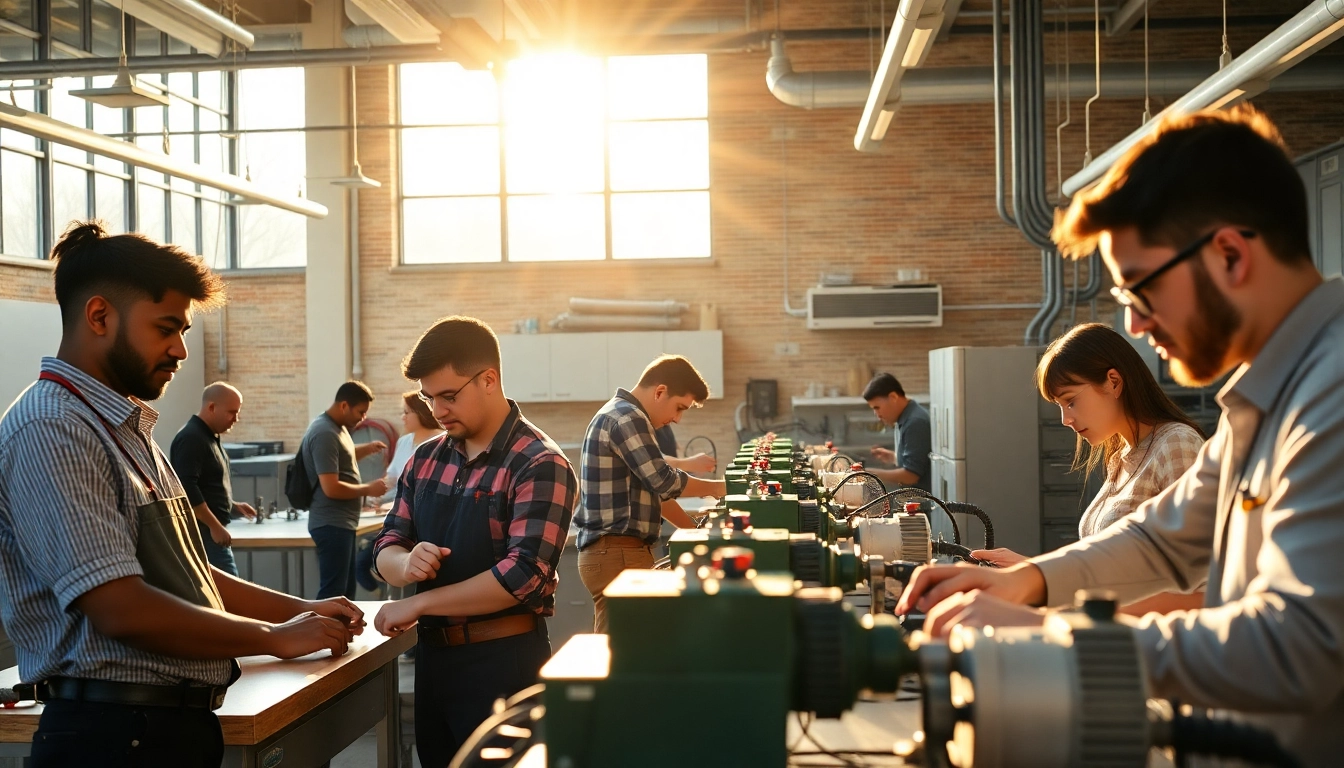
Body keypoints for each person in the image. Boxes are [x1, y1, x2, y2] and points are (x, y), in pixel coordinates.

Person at [895, 105, 1344, 764]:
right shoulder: (1268, 397)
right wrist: (1029, 584)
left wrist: (1053, 639)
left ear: (1228, 253)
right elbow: (1164, 538)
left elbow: (1300, 647)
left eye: (1140, 291)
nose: (1135, 326)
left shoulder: (1330, 392)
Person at [0, 222, 363, 768]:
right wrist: (273, 637)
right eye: (166, 328)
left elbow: (190, 572)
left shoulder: (125, 429)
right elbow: (120, 607)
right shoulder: (53, 427)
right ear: (99, 316)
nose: (180, 350)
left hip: (161, 729)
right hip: (112, 738)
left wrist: (302, 612)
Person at [370, 316, 577, 768]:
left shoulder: (540, 464)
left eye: (449, 396)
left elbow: (522, 575)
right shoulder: (425, 460)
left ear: (489, 379)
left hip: (503, 667)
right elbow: (387, 541)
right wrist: (404, 565)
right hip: (434, 664)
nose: (437, 411)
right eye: (429, 398)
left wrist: (420, 603)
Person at [971, 323, 1206, 615]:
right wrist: (1032, 572)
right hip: (1112, 644)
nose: (1064, 419)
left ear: (1114, 382)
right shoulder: (1121, 456)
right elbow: (1118, 577)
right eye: (1059, 405)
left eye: (1070, 401)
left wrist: (1063, 610)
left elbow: (1202, 595)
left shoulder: (1177, 445)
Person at [573, 355, 727, 633]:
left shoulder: (621, 414)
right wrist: (718, 488)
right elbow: (664, 481)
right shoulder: (628, 417)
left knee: (628, 643)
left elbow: (656, 495)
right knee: (625, 649)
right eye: (679, 408)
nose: (677, 419)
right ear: (660, 391)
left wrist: (693, 531)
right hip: (617, 552)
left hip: (616, 552)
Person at [300, 381, 388, 600]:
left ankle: (341, 633)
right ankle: (323, 633)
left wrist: (367, 449)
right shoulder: (325, 433)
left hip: (341, 524)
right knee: (334, 593)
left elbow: (340, 458)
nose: (363, 418)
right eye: (361, 411)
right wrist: (368, 488)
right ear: (344, 405)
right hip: (331, 524)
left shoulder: (337, 429)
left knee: (345, 592)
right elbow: (331, 488)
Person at [170, 382, 258, 576]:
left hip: (211, 533)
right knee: (230, 598)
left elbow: (206, 485)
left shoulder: (208, 436)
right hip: (204, 535)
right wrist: (214, 526)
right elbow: (186, 487)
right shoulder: (192, 437)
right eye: (231, 412)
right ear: (211, 407)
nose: (236, 419)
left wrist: (231, 506)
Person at [863, 372, 932, 492]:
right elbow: (917, 461)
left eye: (877, 407)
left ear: (893, 397)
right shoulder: (904, 418)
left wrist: (868, 474)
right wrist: (893, 457)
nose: (876, 414)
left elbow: (911, 475)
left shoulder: (915, 422)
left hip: (923, 504)